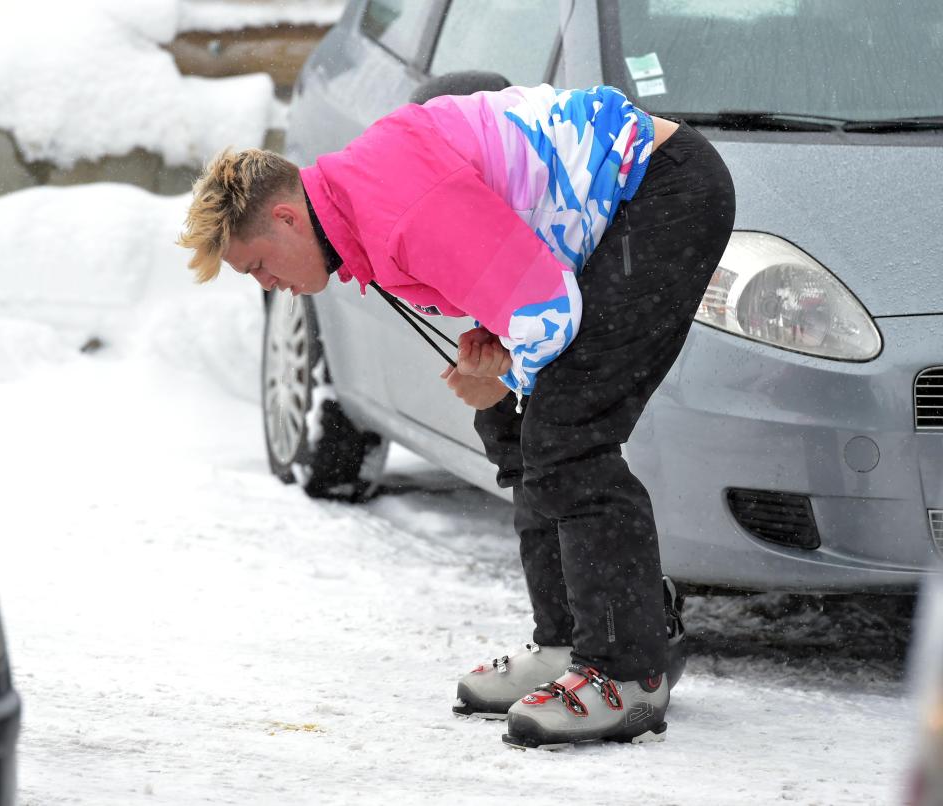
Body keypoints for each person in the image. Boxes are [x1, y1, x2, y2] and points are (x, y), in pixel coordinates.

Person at [178, 83, 735, 749]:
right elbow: (515, 279)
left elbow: (549, 312)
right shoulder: (356, 208)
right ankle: (566, 643)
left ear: (288, 218)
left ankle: (628, 672)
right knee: (515, 426)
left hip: (662, 193)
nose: (269, 286)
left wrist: (503, 370)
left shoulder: (397, 208)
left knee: (565, 436)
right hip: (609, 214)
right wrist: (500, 367)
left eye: (260, 266)